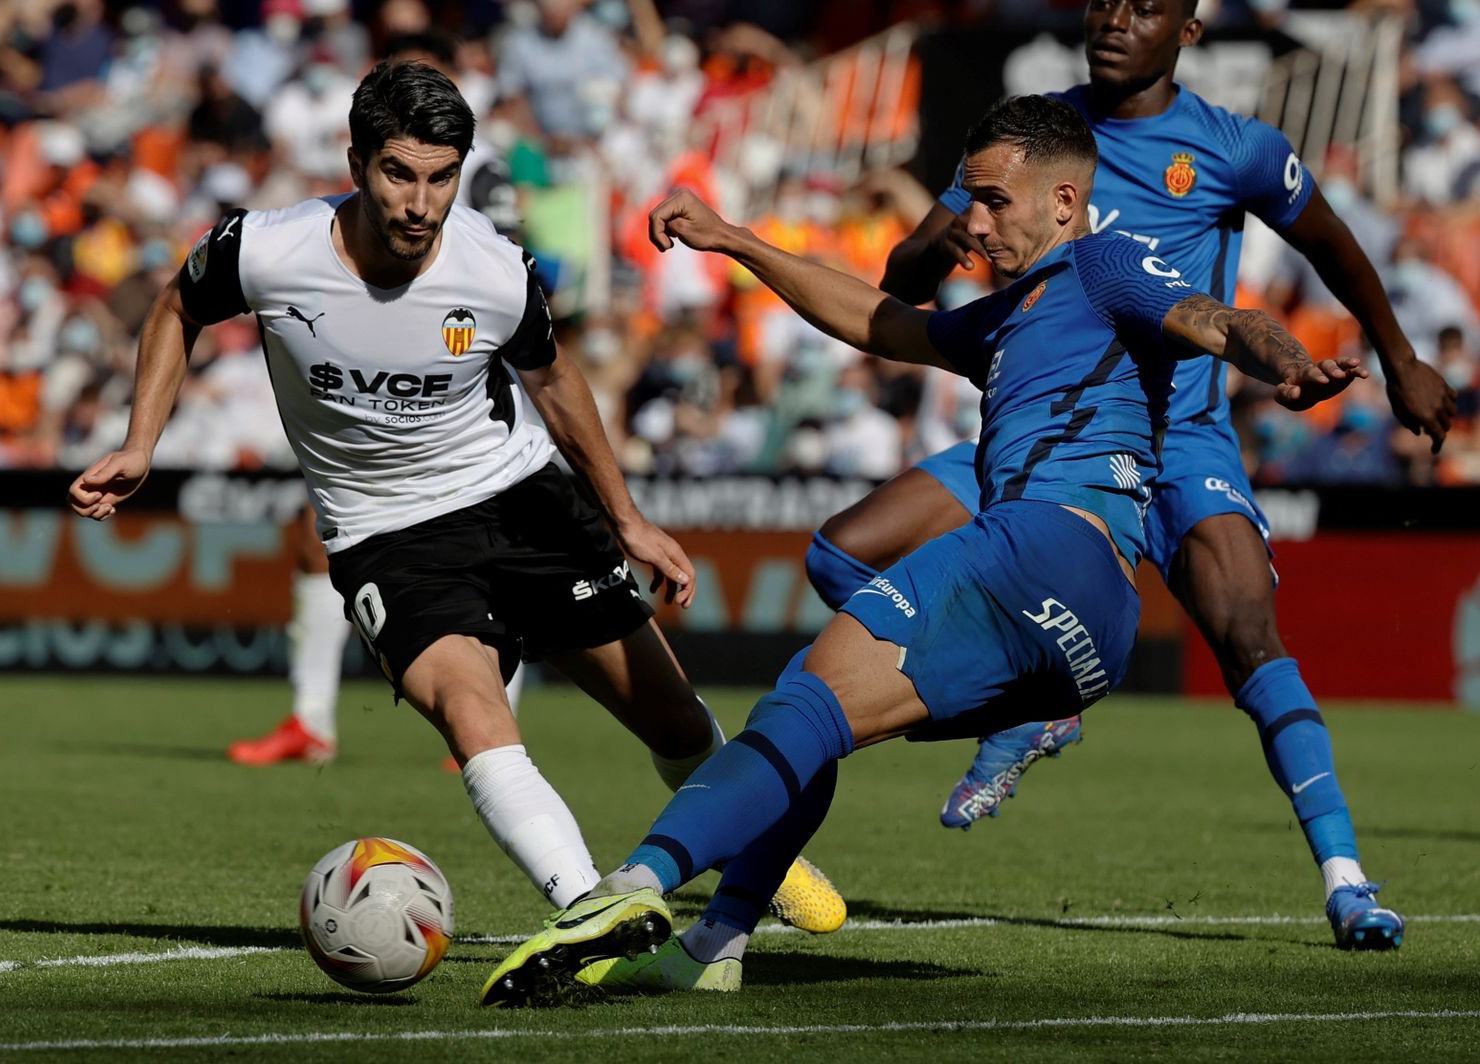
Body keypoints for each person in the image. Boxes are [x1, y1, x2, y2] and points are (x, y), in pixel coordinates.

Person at [478, 95, 1365, 1007]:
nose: (971, 226)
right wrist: (739, 241)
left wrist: (1288, 361)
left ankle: (630, 891)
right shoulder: (1010, 315)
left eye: (993, 202)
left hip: (1039, 547)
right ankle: (714, 944)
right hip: (1093, 631)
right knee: (821, 730)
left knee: (803, 707)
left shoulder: (1105, 264)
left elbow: (1217, 320)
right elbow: (877, 320)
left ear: (1064, 202)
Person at [68, 60, 843, 932]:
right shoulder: (267, 248)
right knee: (470, 707)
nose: (421, 202)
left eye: (443, 177)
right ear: (356, 160)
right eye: (400, 173)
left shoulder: (495, 269)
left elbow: (555, 385)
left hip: (521, 498)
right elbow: (177, 306)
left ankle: (759, 850)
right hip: (384, 531)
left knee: (670, 716)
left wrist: (627, 519)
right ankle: (589, 907)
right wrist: (141, 443)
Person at [804, 0, 1452, 948]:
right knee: (837, 553)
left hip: (1179, 437)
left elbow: (1330, 240)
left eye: (1145, 6)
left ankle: (1348, 881)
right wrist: (929, 249)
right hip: (1042, 433)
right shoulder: (1030, 140)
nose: (1114, 19)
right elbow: (901, 290)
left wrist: (1398, 358)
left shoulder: (1232, 147)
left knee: (1249, 635)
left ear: (1186, 32)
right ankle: (1031, 698)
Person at [227, 31, 524, 770]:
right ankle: (311, 720)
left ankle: (490, 723)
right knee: (311, 534)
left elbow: (506, 278)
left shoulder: (479, 172)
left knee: (499, 553)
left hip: (472, 390)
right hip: (372, 386)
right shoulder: (376, 169)